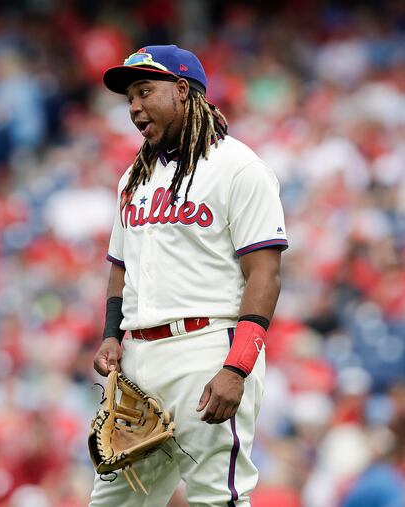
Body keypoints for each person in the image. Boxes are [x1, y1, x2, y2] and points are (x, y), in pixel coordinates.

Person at [91, 45, 287, 506]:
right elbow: (121, 266)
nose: (135, 107)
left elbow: (265, 274)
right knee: (113, 501)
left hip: (207, 349)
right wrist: (110, 335)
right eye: (129, 99)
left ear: (182, 91)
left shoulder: (239, 167)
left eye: (144, 91)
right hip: (139, 359)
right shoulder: (133, 179)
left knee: (215, 498)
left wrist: (237, 367)